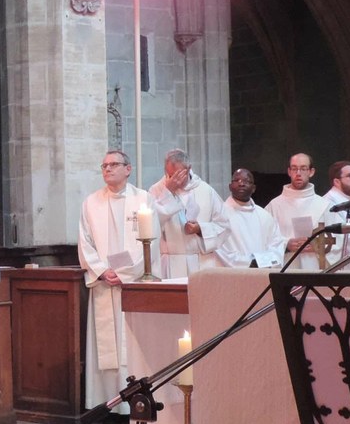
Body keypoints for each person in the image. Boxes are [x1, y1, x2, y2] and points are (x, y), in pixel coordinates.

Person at [78, 150, 149, 407]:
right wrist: (101, 270)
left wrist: (126, 273)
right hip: (104, 284)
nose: (107, 169)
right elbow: (84, 242)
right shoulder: (91, 202)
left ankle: (133, 405)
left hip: (132, 285)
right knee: (106, 348)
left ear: (128, 169)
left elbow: (149, 243)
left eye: (114, 164)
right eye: (104, 166)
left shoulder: (143, 199)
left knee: (132, 345)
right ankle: (107, 404)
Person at [147, 148, 230, 278]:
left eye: (179, 175)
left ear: (188, 168)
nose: (175, 180)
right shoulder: (156, 190)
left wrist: (200, 229)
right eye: (170, 175)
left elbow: (224, 226)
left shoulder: (206, 191)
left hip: (201, 262)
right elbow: (150, 224)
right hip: (169, 263)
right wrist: (168, 192)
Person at [263, 153, 329, 271]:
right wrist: (286, 244)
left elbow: (338, 241)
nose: (298, 173)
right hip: (286, 268)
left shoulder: (325, 205)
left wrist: (318, 244)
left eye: (303, 168)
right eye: (294, 168)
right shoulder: (274, 205)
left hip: (315, 268)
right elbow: (263, 237)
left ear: (311, 172)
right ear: (289, 171)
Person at [214, 168, 286, 268]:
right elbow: (219, 249)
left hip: (262, 273)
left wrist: (261, 262)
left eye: (246, 181)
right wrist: (248, 263)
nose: (241, 184)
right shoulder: (219, 215)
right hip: (232, 274)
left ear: (253, 188)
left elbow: (276, 245)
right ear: (230, 186)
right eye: (237, 180)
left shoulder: (264, 216)